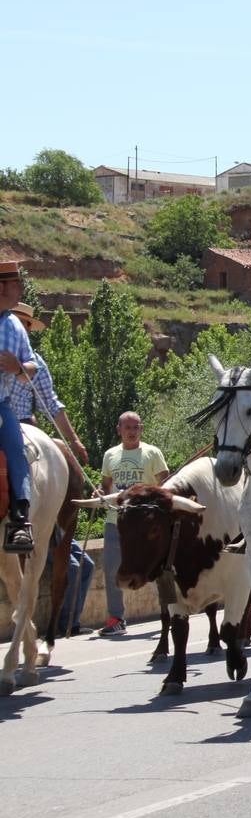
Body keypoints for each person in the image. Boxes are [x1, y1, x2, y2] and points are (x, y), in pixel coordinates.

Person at [96, 412, 169, 635]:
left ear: (141, 429)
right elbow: (106, 485)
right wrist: (99, 493)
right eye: (127, 427)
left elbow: (165, 483)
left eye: (135, 427)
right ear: (119, 429)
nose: (131, 431)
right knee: (111, 569)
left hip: (145, 524)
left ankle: (169, 611)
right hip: (115, 521)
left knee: (158, 567)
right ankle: (116, 619)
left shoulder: (152, 453)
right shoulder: (110, 455)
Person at [9, 303, 89, 463]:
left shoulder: (36, 364)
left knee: (19, 463)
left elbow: (50, 404)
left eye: (20, 323)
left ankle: (23, 488)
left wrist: (74, 439)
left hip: (20, 425)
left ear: (28, 329)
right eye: (10, 322)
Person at [0, 261, 41, 553]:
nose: (21, 290)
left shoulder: (15, 324)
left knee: (16, 447)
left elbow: (33, 365)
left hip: (0, 405)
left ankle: (19, 521)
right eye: (17, 285)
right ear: (1, 287)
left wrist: (18, 368)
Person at [47, 534, 95, 634]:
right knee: (73, 568)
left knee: (88, 566)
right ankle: (67, 623)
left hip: (62, 533)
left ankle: (74, 619)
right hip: (45, 536)